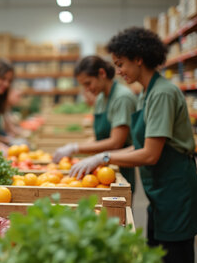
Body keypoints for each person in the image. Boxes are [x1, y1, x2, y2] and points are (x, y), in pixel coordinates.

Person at [70, 27, 197, 263]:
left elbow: (150, 154)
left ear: (138, 58)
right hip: (160, 192)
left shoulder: (162, 93)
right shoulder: (145, 93)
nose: (119, 71)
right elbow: (138, 146)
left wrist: (105, 158)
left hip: (175, 191)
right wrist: (105, 154)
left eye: (120, 64)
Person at [53, 55, 137, 190]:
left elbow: (116, 142)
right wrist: (78, 152)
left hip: (119, 169)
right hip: (100, 169)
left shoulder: (122, 98)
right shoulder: (101, 98)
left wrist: (75, 148)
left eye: (88, 83)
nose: (87, 89)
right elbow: (99, 136)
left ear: (102, 73)